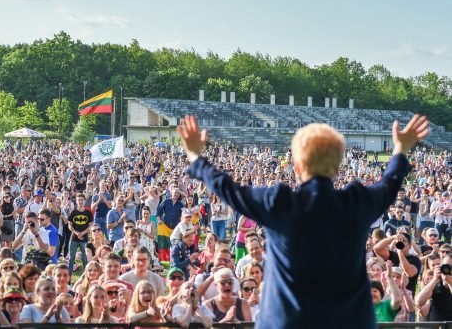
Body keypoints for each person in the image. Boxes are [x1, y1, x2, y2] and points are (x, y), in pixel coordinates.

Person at [175, 113, 430, 328]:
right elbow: (389, 183)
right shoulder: (356, 204)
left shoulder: (279, 204)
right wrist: (400, 150)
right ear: (339, 165)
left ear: (296, 165)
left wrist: (197, 157)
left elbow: (228, 188)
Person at [67, 193, 93, 274]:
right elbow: (69, 225)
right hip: (74, 238)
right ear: (76, 202)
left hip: (84, 239)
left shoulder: (88, 213)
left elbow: (91, 226)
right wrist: (76, 233)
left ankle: (86, 275)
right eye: (79, 200)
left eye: (82, 200)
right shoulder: (73, 212)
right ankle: (69, 276)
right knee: (71, 258)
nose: (80, 201)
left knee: (85, 258)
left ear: (85, 201)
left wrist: (82, 233)